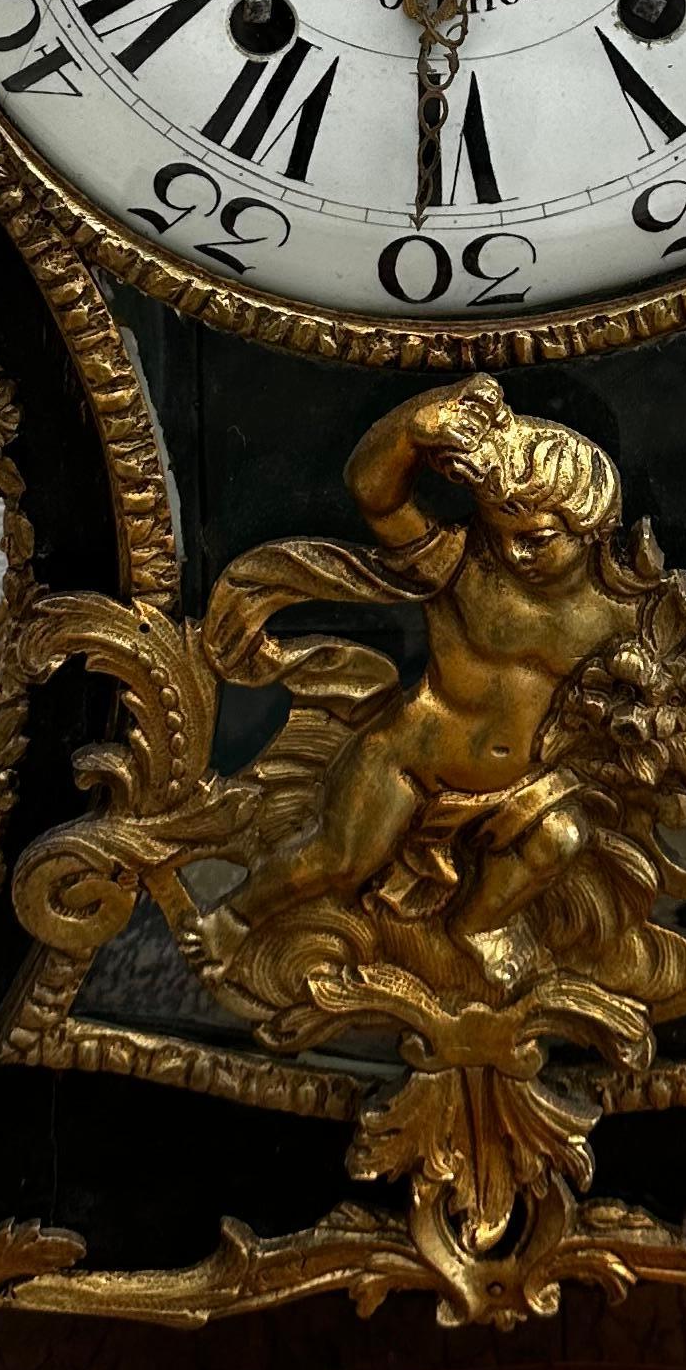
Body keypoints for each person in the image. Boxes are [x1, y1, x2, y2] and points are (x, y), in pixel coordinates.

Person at [225, 377, 638, 987]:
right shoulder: (461, 567)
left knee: (563, 836)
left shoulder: (617, 610)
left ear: (591, 527)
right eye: (502, 533)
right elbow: (374, 495)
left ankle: (477, 924)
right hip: (409, 761)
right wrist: (415, 428)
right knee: (338, 859)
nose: (516, 555)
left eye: (539, 540)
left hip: (526, 784)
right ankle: (234, 918)